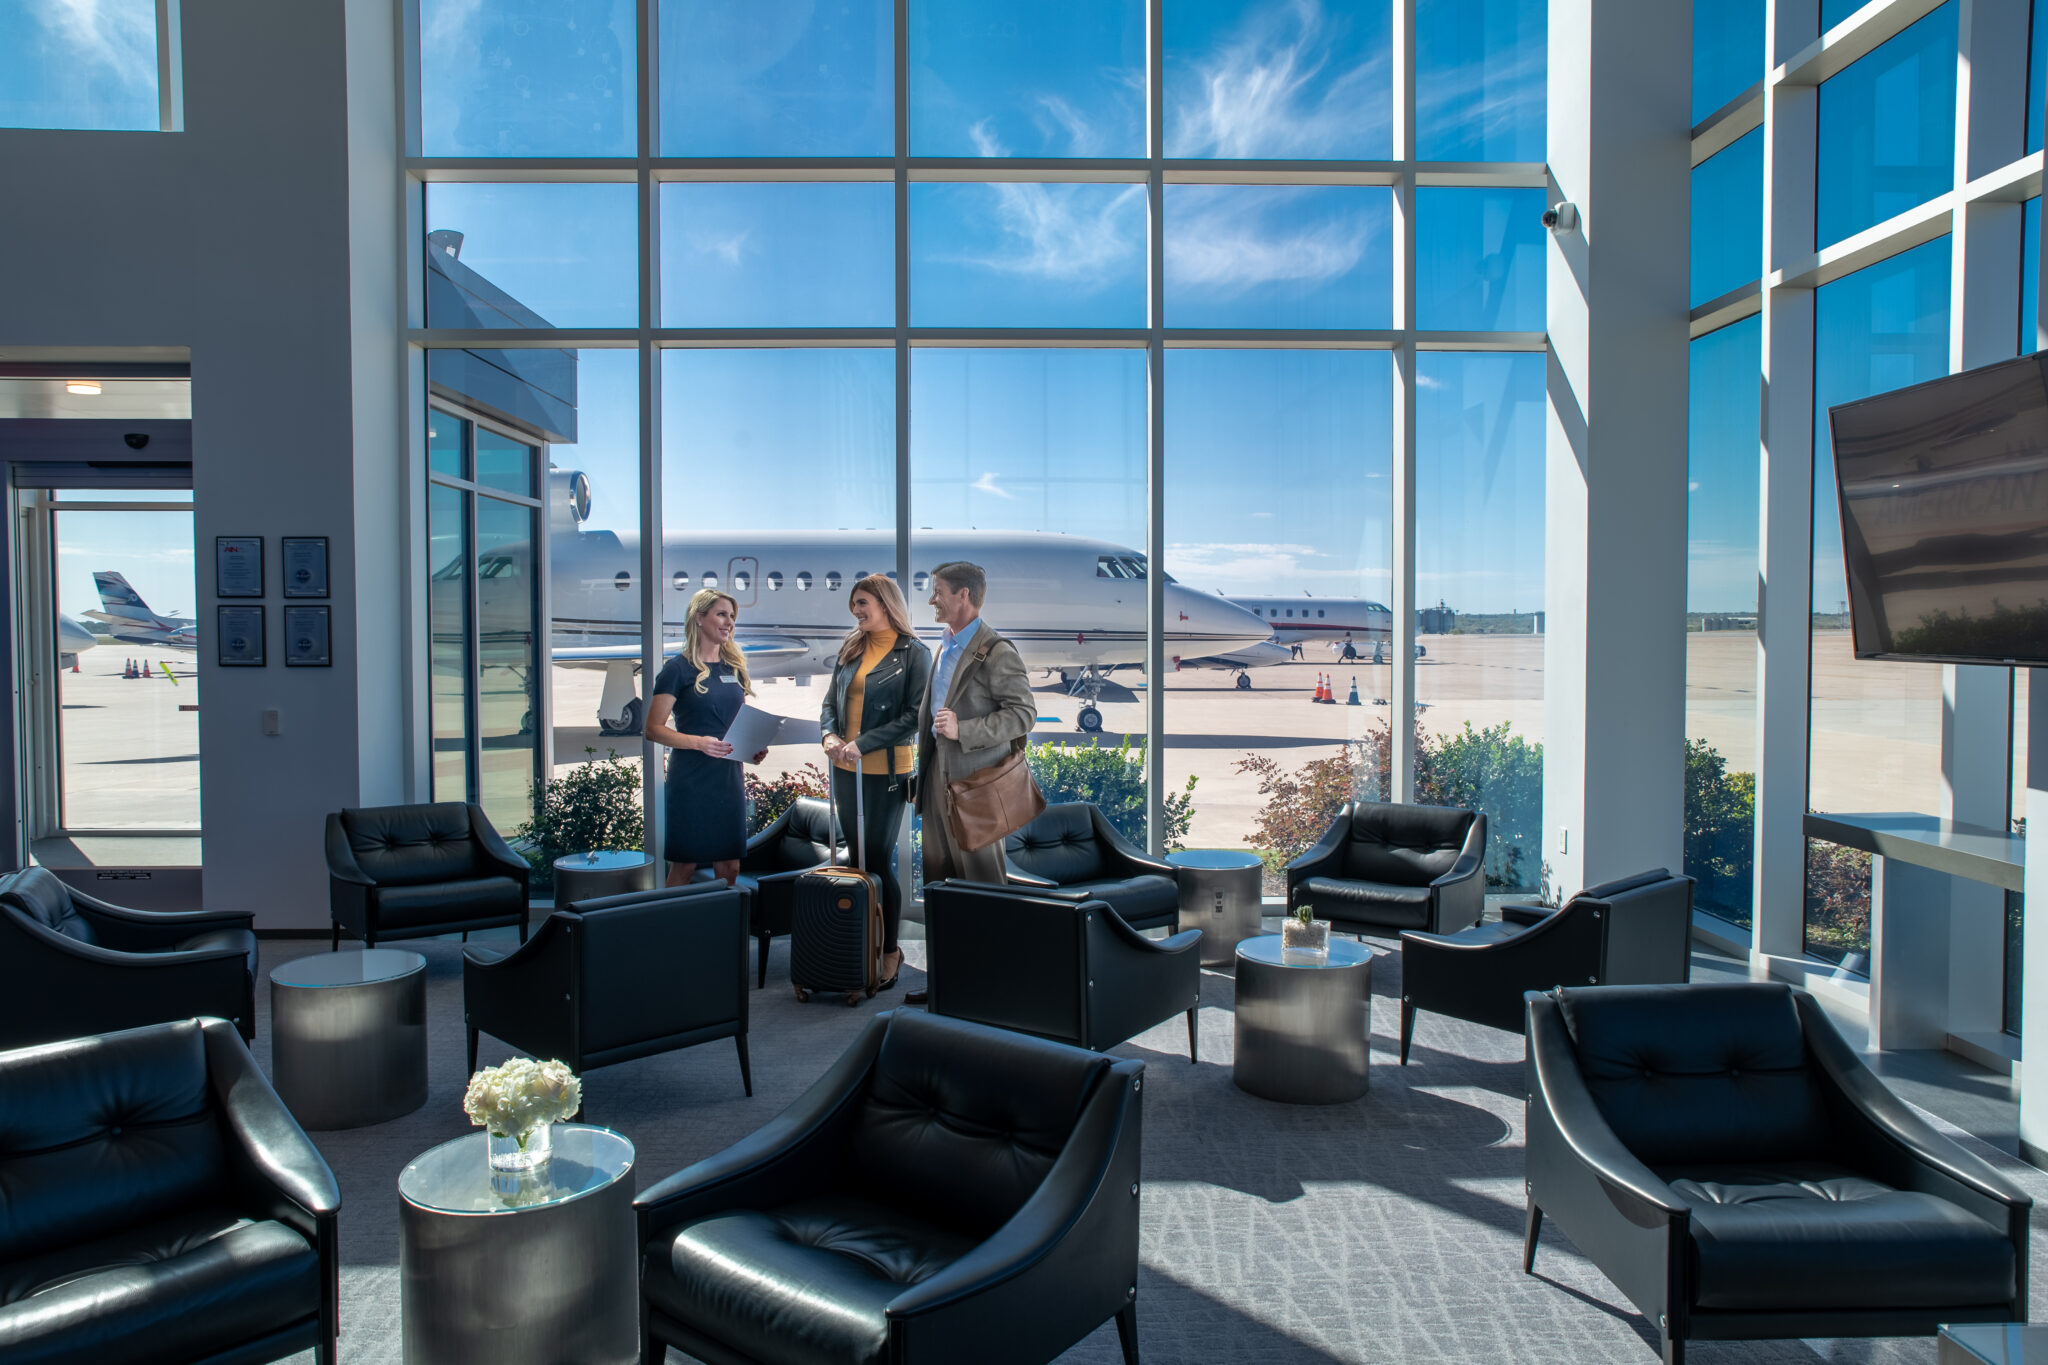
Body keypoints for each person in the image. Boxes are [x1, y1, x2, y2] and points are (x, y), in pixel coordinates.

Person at [907, 561, 1036, 1005]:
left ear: (964, 595)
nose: (932, 600)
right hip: (936, 784)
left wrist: (967, 729)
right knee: (941, 890)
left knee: (983, 890)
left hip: (974, 791)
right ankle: (948, 983)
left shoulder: (996, 650)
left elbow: (1023, 714)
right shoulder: (943, 647)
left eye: (938, 591)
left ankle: (993, 988)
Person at [819, 574, 931, 992]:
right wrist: (829, 736)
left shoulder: (914, 653)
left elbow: (914, 716)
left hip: (886, 769)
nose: (857, 611)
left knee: (879, 860)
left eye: (863, 603)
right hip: (845, 770)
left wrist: (862, 744)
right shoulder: (852, 647)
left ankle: (889, 951)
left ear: (886, 603)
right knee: (857, 862)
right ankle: (857, 943)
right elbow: (830, 702)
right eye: (854, 605)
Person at [644, 588, 767, 887]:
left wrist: (752, 747)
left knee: (730, 866)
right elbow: (652, 729)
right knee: (684, 865)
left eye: (732, 616)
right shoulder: (677, 669)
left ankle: (721, 931)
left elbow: (735, 722)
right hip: (691, 779)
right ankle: (674, 933)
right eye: (721, 614)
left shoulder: (733, 667)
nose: (729, 622)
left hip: (728, 778)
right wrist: (700, 742)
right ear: (699, 618)